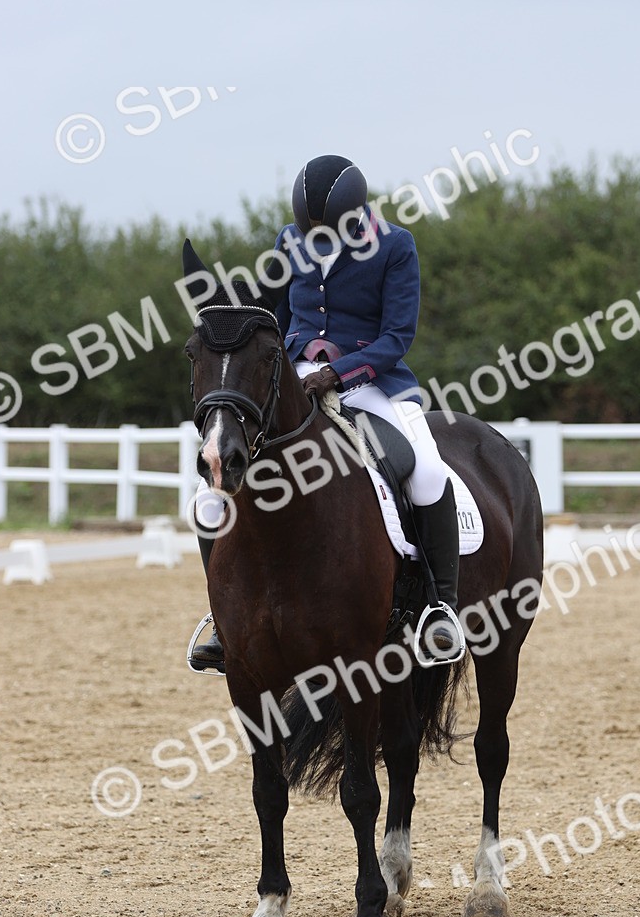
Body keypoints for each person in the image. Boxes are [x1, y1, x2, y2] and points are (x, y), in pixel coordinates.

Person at [189, 154, 466, 672]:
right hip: (292, 375)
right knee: (210, 491)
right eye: (309, 230)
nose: (315, 238)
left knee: (428, 471)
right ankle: (224, 617)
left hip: (370, 380)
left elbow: (396, 337)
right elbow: (276, 317)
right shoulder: (289, 240)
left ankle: (439, 608)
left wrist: (338, 374)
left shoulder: (396, 246)